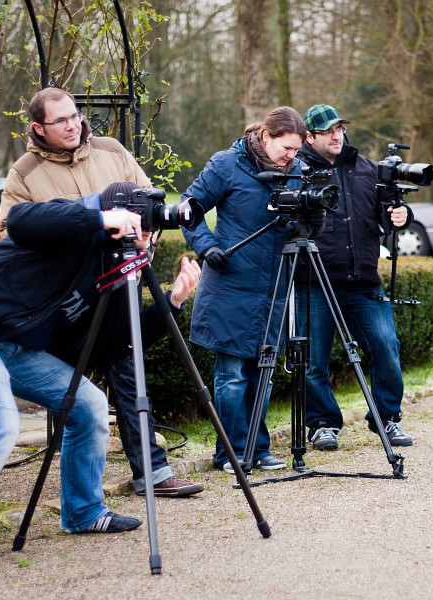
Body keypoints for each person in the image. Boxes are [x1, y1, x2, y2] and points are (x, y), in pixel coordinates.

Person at [0, 182, 201, 568]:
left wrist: (175, 301)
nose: (143, 235)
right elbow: (20, 219)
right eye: (135, 224)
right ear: (113, 218)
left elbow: (116, 344)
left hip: (17, 346)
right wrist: (97, 218)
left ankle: (83, 511)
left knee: (91, 405)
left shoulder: (118, 265)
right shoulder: (75, 231)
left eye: (147, 228)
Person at [0, 87, 202, 498]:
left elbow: (148, 203)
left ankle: (153, 472)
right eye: (60, 121)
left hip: (119, 280)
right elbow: (13, 235)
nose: (73, 125)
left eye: (75, 115)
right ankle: (80, 496)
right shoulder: (24, 172)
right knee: (75, 395)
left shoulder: (111, 151)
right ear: (38, 127)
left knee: (129, 368)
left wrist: (145, 236)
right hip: (65, 298)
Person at [181, 106, 308, 473]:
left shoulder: (296, 172)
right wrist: (206, 246)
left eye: (297, 151)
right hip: (231, 283)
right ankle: (233, 452)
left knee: (263, 374)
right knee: (233, 374)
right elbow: (188, 208)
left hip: (274, 287)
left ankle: (258, 447)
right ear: (266, 137)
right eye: (286, 148)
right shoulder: (227, 164)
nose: (291, 156)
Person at [294, 104, 414, 451]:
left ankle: (387, 418)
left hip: (363, 280)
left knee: (386, 346)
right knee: (313, 358)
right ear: (309, 137)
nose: (336, 135)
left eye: (340, 129)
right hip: (313, 280)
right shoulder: (297, 170)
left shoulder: (367, 169)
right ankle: (322, 424)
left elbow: (392, 211)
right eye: (328, 130)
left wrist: (402, 214)